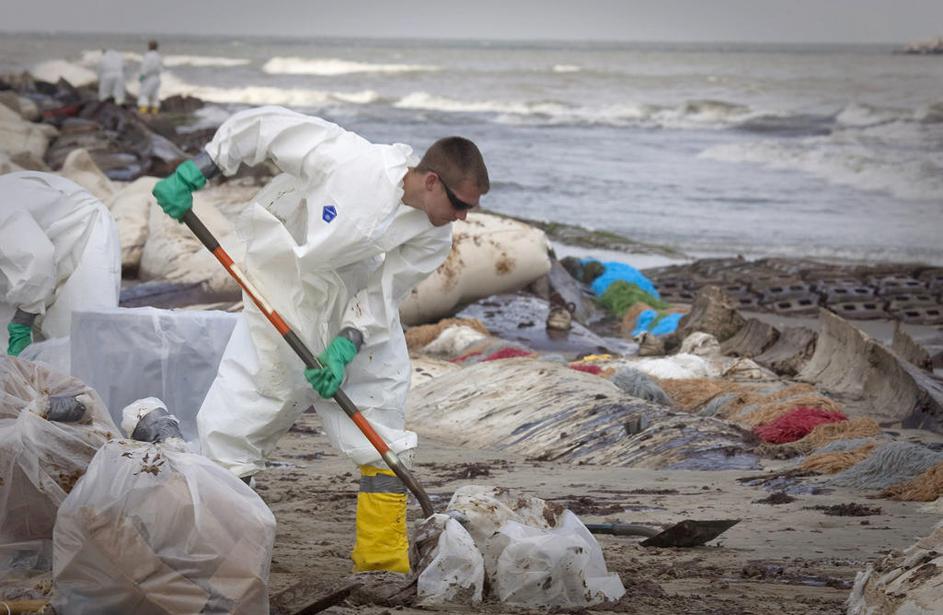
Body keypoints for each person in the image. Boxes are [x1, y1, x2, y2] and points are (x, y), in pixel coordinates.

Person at [152, 105, 488, 574]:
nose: (464, 217)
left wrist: (347, 342)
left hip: (356, 305)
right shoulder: (351, 160)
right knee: (243, 413)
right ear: (432, 181)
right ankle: (223, 550)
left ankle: (381, 564)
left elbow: (382, 293)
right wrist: (200, 168)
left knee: (382, 414)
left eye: (470, 208)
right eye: (460, 204)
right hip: (286, 286)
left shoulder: (434, 235)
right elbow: (266, 128)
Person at [0, 172, 121, 357]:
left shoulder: (3, 211)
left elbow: (36, 258)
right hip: (40, 246)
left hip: (82, 233)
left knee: (79, 339)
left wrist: (22, 322)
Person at [138, 40, 162, 114]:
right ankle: (155, 111)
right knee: (155, 95)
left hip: (149, 78)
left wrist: (142, 75)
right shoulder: (158, 56)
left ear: (149, 46)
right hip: (157, 78)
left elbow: (146, 67)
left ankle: (143, 110)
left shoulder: (148, 55)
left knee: (144, 94)